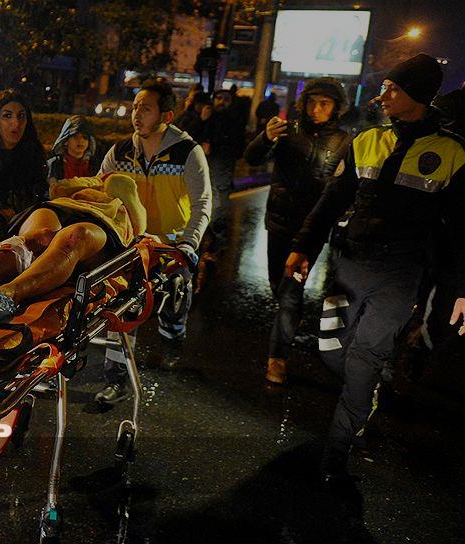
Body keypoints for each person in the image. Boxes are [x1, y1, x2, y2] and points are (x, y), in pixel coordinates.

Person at [284, 54, 465, 485]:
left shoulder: (452, 152)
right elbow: (332, 200)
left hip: (401, 274)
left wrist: (459, 287)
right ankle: (368, 388)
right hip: (350, 264)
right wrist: (303, 246)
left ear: (416, 95)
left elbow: (460, 229)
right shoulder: (366, 140)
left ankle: (338, 449)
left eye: (392, 88)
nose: (382, 95)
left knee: (365, 358)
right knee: (331, 350)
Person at [94, 78, 212, 404]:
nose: (136, 114)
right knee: (123, 307)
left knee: (174, 304)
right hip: (132, 248)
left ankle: (172, 338)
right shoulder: (120, 151)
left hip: (172, 247)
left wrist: (188, 243)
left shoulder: (188, 153)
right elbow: (100, 192)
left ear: (166, 116)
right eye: (135, 107)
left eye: (146, 108)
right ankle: (116, 380)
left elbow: (202, 203)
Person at [244, 77, 351, 384]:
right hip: (279, 222)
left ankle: (277, 358)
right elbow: (252, 158)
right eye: (312, 102)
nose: (317, 109)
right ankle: (290, 316)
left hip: (311, 229)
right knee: (278, 284)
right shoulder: (288, 131)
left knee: (291, 290)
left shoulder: (345, 142)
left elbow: (346, 187)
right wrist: (266, 137)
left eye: (324, 104)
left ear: (336, 108)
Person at [0, 174, 146, 323]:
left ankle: (7, 295)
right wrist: (96, 180)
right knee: (40, 235)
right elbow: (57, 189)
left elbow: (139, 222)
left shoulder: (122, 197)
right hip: (61, 207)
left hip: (101, 223)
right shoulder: (89, 182)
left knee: (76, 236)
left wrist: (113, 181)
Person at [200, 88, 246, 254]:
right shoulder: (207, 116)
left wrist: (215, 146)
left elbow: (238, 148)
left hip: (222, 169)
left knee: (218, 206)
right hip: (203, 168)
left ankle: (216, 244)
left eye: (225, 99)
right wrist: (202, 120)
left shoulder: (235, 121)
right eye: (218, 98)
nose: (221, 102)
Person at [46, 115, 100, 184]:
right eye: (75, 136)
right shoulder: (54, 165)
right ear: (66, 140)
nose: (80, 140)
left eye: (85, 137)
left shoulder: (95, 165)